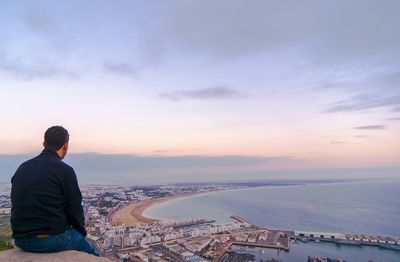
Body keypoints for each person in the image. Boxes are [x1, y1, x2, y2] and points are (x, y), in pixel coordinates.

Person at [10, 126, 100, 256]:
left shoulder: (22, 168)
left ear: (44, 144)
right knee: (91, 252)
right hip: (49, 240)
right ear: (65, 145)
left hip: (20, 240)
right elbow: (74, 208)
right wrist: (80, 234)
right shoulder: (65, 171)